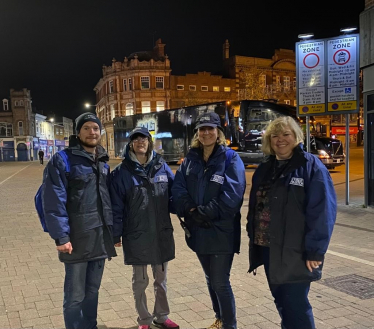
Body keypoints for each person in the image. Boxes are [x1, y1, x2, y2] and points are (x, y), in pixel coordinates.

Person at [246, 116, 337, 329]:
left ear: (296, 136)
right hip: (268, 247)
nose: (280, 140)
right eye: (275, 135)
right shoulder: (265, 167)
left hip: (296, 251)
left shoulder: (310, 166)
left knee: (295, 304)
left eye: (286, 134)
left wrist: (315, 251)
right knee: (282, 301)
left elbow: (323, 212)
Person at [42, 112, 117, 329]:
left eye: (95, 128)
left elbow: (108, 200)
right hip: (75, 239)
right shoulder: (62, 160)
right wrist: (61, 236)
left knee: (92, 291)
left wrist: (114, 232)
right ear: (78, 132)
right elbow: (53, 200)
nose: (92, 132)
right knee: (75, 295)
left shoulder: (103, 160)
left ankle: (90, 326)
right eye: (86, 128)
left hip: (100, 238)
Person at [172, 112, 246, 329]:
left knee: (220, 281)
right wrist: (191, 210)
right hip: (198, 229)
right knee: (210, 279)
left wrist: (203, 212)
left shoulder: (231, 158)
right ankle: (220, 319)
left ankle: (229, 325)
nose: (206, 133)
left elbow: (233, 196)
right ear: (197, 133)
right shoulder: (191, 159)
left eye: (210, 129)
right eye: (202, 129)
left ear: (218, 132)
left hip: (222, 230)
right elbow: (178, 188)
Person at [109, 127, 179, 329]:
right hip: (136, 235)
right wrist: (116, 234)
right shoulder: (121, 173)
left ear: (149, 142)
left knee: (161, 280)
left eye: (144, 138)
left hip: (160, 233)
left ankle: (162, 316)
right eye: (136, 139)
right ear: (131, 143)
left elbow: (173, 196)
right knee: (140, 282)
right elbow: (116, 207)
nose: (140, 141)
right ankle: (144, 319)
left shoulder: (162, 166)